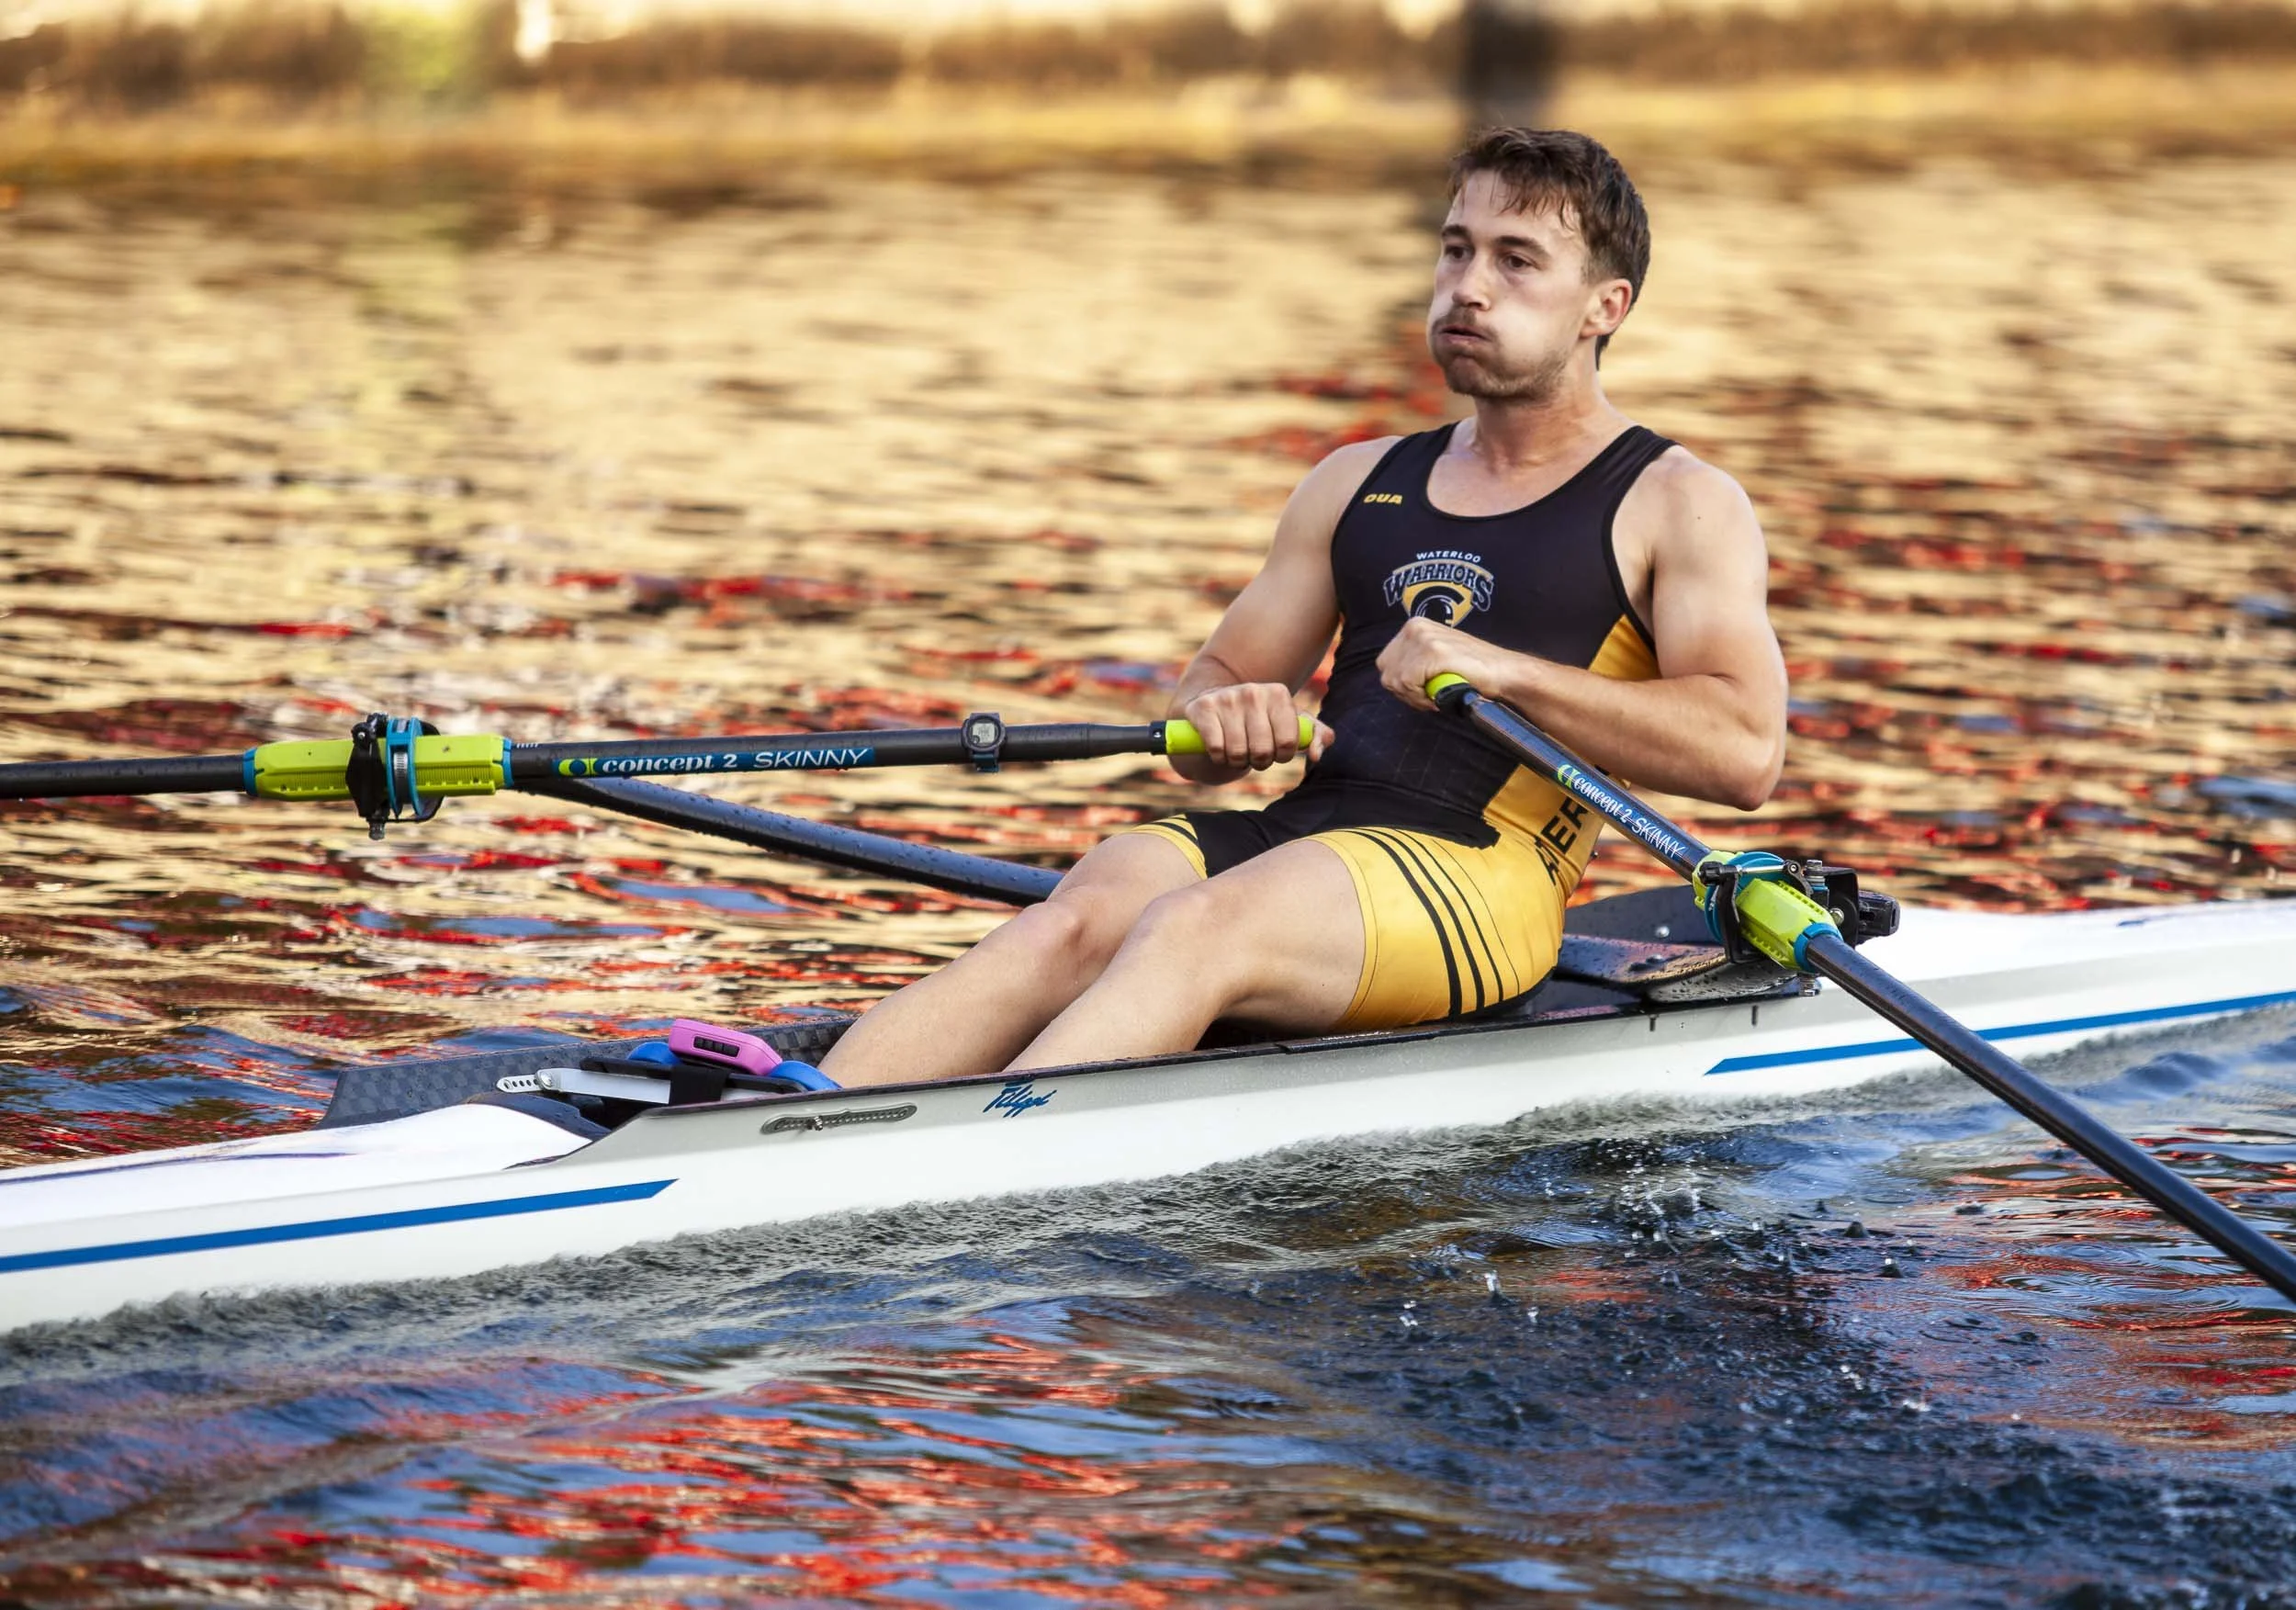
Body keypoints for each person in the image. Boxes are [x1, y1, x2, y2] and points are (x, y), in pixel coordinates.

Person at [821, 127, 1786, 1089]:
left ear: (1602, 307)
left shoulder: (1678, 501)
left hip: (1482, 872)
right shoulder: (1355, 481)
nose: (1469, 286)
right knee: (1079, 912)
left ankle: (983, 1165)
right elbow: (1213, 699)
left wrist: (1501, 671)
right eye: (1456, 249)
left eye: (1516, 261)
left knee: (1192, 927)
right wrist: (1224, 716)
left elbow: (1743, 751)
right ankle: (799, 1121)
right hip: (1305, 836)